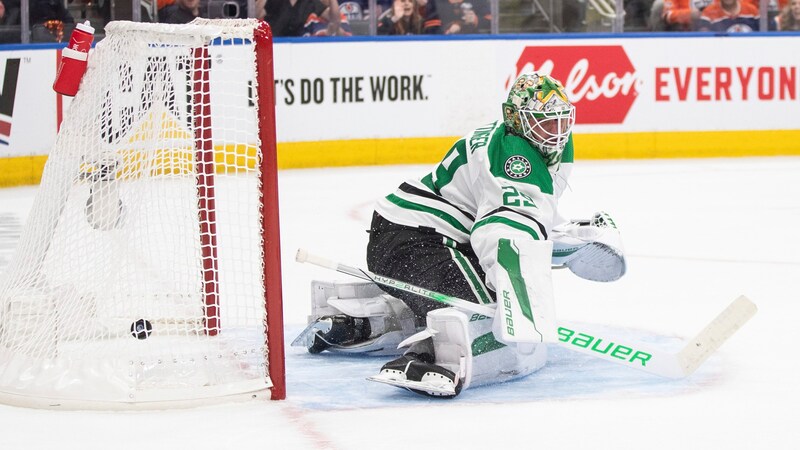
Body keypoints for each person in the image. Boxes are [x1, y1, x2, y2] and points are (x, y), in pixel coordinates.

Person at [294, 73, 627, 398]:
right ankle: (433, 355)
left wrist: (568, 242)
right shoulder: (515, 158)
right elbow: (501, 232)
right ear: (515, 118)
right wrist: (516, 305)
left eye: (560, 120)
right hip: (421, 243)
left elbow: (530, 218)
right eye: (544, 121)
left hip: (411, 238)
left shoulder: (525, 143)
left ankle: (369, 316)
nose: (555, 131)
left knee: (482, 301)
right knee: (490, 318)